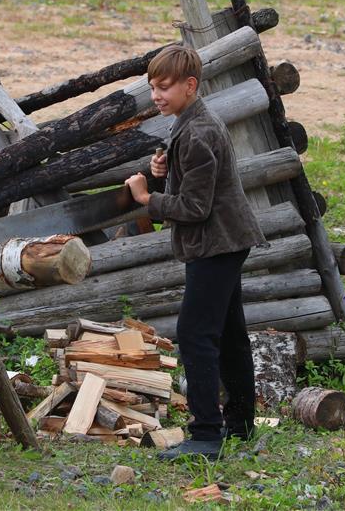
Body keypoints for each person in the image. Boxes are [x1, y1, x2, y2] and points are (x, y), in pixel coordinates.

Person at [124, 45, 266, 460]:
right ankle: (240, 422)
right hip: (225, 241)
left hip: (216, 244)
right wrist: (166, 174)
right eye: (152, 87)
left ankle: (206, 434)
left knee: (195, 333)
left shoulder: (199, 131)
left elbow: (194, 208)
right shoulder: (190, 122)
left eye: (164, 87)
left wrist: (147, 197)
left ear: (190, 85)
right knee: (230, 332)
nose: (156, 96)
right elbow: (194, 188)